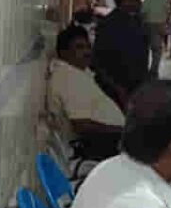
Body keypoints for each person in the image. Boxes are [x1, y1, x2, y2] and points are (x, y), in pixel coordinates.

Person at [48, 25, 126, 159]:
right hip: (104, 144)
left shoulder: (77, 71)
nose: (87, 52)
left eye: (88, 47)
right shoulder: (67, 78)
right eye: (79, 47)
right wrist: (122, 131)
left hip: (114, 139)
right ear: (64, 52)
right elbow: (82, 126)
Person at [93, 0, 149, 104]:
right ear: (119, 1)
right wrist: (117, 89)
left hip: (136, 89)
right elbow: (97, 63)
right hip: (113, 91)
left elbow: (142, 57)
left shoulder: (139, 23)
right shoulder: (108, 24)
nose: (135, 3)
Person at [142, 0, 170, 78]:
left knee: (145, 47)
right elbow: (167, 9)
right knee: (157, 49)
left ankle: (143, 68)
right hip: (160, 23)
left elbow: (144, 8)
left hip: (149, 22)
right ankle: (154, 71)